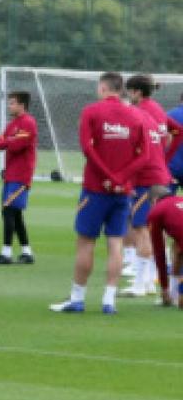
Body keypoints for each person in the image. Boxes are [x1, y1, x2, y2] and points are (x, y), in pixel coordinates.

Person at [50, 72, 149, 315]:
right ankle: (108, 300)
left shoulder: (92, 111)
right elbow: (144, 156)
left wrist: (108, 176)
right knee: (115, 243)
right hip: (122, 192)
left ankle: (77, 298)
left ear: (103, 88)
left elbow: (87, 147)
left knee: (85, 243)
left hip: (95, 189)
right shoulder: (136, 115)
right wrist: (122, 178)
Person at [122, 74, 175, 297]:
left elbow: (135, 147)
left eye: (128, 91)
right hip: (158, 175)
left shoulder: (139, 113)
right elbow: (170, 137)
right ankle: (149, 278)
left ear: (136, 92)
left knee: (142, 228)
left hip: (147, 178)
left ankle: (142, 283)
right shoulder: (157, 110)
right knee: (152, 229)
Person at [0, 91, 37, 265]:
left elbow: (17, 146)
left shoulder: (28, 123)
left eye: (12, 103)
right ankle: (26, 252)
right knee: (15, 214)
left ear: (22, 105)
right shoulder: (12, 125)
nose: (9, 106)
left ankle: (6, 253)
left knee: (8, 211)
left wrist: (8, 140)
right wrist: (10, 139)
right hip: (10, 175)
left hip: (21, 176)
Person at [147, 191, 183, 308]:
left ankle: (172, 294)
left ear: (154, 200)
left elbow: (159, 251)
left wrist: (164, 287)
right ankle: (173, 295)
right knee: (177, 248)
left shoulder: (156, 211)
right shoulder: (179, 199)